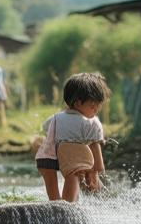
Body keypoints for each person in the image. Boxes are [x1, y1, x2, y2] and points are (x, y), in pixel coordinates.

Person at [34, 72, 109, 203]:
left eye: (98, 105)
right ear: (78, 103)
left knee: (52, 182)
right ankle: (70, 206)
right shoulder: (91, 122)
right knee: (75, 175)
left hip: (45, 157)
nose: (96, 109)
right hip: (66, 155)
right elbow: (95, 148)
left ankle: (56, 204)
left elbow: (45, 128)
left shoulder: (57, 116)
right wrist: (98, 170)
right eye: (93, 106)